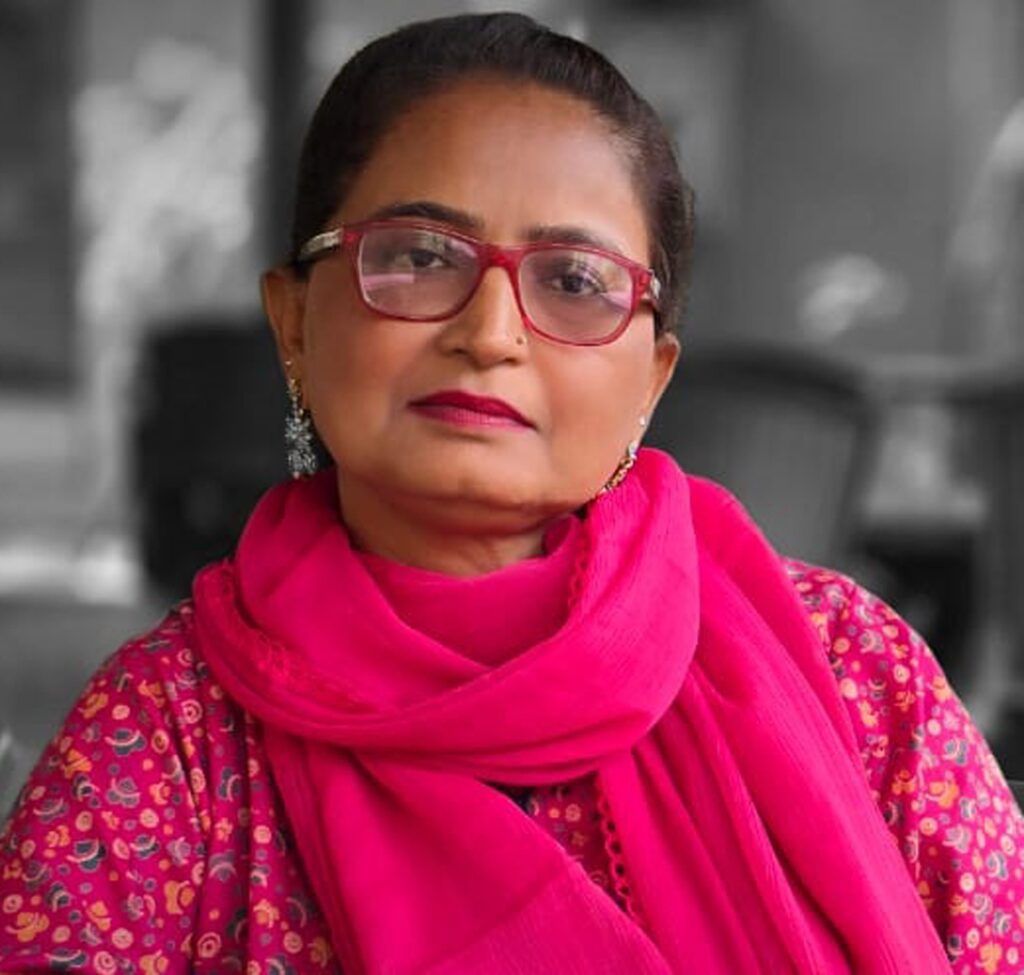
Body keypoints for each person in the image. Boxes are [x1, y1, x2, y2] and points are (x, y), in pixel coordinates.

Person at [1, 13, 1021, 974]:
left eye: (573, 282)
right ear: (296, 322)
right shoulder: (174, 737)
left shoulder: (848, 669)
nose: (489, 332)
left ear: (650, 376)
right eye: (415, 257)